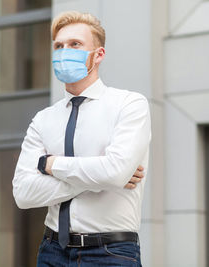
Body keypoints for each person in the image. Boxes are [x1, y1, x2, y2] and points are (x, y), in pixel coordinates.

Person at [12, 10, 151, 267]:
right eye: (59, 46)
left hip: (111, 252)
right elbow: (23, 193)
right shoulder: (43, 119)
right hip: (51, 251)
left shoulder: (129, 104)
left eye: (75, 44)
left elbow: (115, 172)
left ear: (98, 55)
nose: (65, 51)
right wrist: (101, 176)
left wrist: (52, 165)